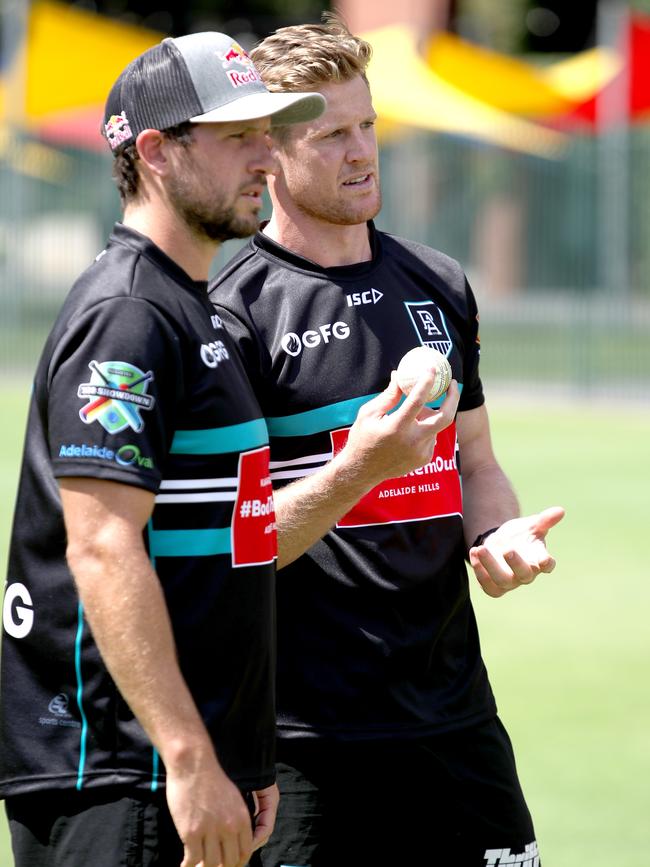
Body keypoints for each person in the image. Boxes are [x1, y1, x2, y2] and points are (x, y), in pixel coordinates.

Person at [210, 16, 565, 867]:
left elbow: (475, 462)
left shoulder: (438, 283)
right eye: (330, 134)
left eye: (367, 125)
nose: (361, 151)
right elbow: (233, 542)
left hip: (454, 717)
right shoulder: (231, 310)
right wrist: (360, 467)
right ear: (270, 153)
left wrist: (497, 532)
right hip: (305, 740)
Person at [0, 32, 328, 867]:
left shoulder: (191, 305)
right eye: (239, 137)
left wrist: (237, 751)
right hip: (122, 777)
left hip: (186, 767)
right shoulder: (130, 313)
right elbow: (102, 547)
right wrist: (187, 759)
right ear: (155, 152)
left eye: (270, 132)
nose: (268, 157)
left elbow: (226, 542)